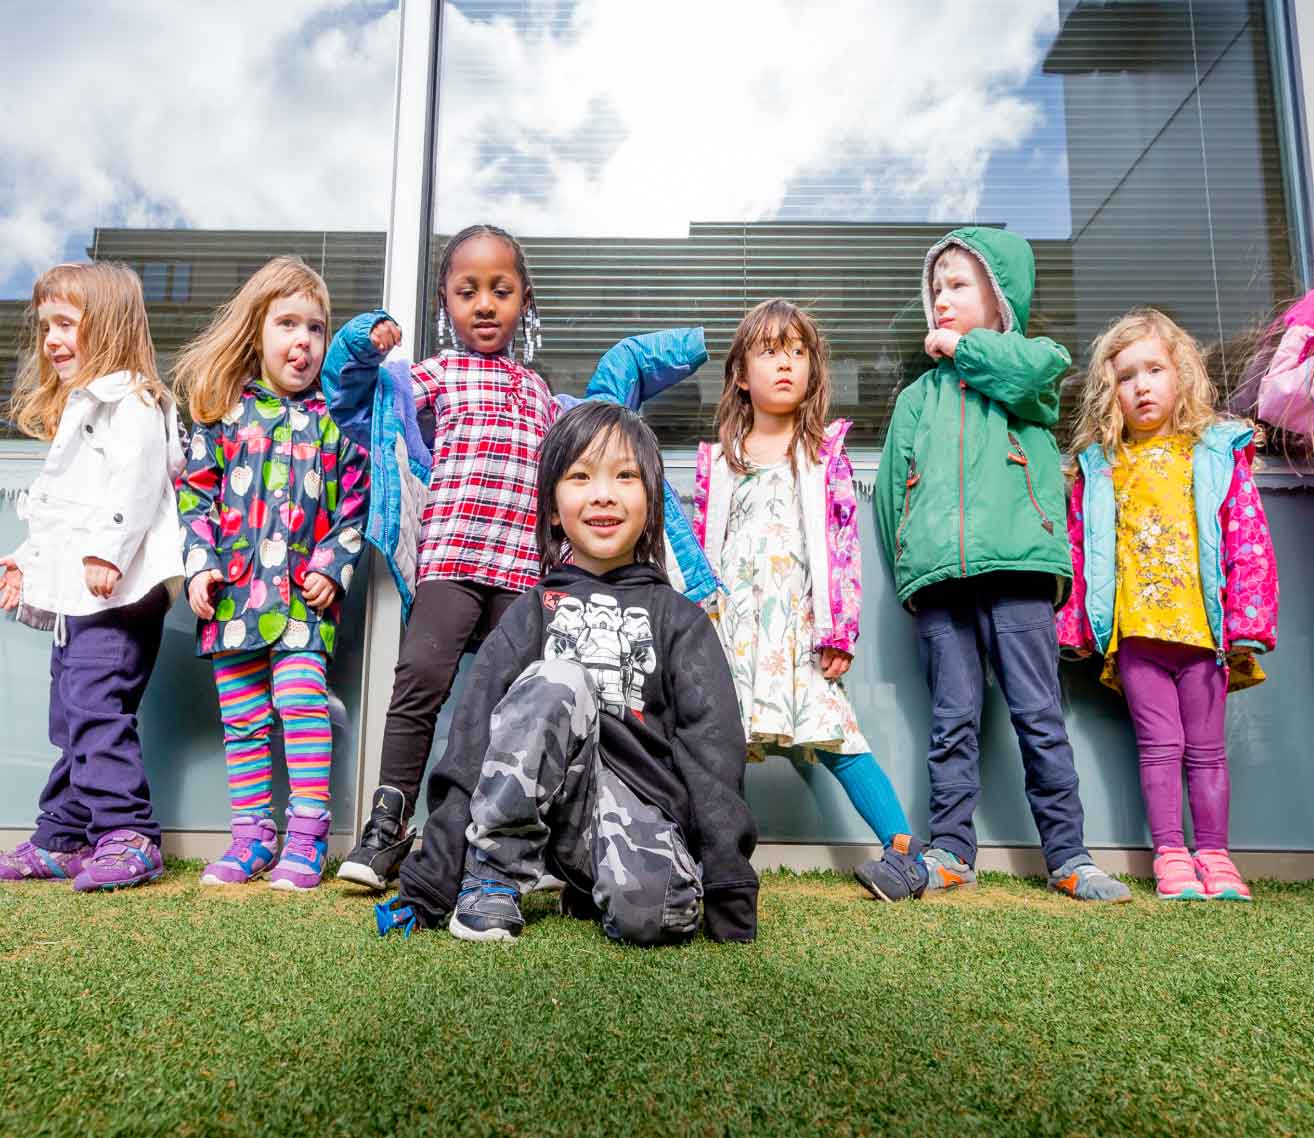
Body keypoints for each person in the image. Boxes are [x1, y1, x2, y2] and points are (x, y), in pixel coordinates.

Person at [375, 401, 758, 944]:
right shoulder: (528, 613)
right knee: (560, 680)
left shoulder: (681, 619)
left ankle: (590, 884)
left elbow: (713, 752)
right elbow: (470, 740)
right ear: (553, 507)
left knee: (656, 918)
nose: (603, 494)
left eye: (625, 476)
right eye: (580, 477)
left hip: (638, 809)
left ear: (651, 504)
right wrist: (430, 884)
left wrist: (728, 889)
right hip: (538, 805)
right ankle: (495, 877)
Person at [875, 226, 1129, 902]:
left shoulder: (1032, 366)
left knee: (1037, 713)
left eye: (959, 286)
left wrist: (965, 348)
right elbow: (889, 489)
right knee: (951, 718)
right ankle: (952, 850)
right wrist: (909, 562)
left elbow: (1031, 376)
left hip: (1018, 569)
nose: (942, 300)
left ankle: (1069, 854)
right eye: (936, 290)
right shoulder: (917, 398)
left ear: (1001, 298)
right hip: (939, 581)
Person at [328, 224, 559, 890]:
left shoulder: (539, 393)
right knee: (419, 682)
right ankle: (388, 823)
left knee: (512, 705)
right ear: (445, 304)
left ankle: (498, 834)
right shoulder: (431, 374)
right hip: (451, 559)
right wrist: (362, 347)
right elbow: (356, 408)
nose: (484, 304)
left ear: (524, 303)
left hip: (520, 573)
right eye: (467, 291)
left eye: (500, 290)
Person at [693, 298, 927, 902]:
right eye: (770, 352)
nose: (785, 364)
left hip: (800, 626)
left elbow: (844, 547)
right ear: (741, 374)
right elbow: (698, 551)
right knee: (721, 743)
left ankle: (904, 855)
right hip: (732, 630)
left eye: (798, 352)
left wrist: (840, 633)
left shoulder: (824, 455)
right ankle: (718, 860)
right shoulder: (718, 462)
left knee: (837, 737)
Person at [1057, 308, 1277, 901]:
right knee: (1158, 750)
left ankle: (1216, 855)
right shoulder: (1101, 467)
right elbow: (1081, 549)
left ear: (1180, 375)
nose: (1142, 385)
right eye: (1127, 376)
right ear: (1111, 391)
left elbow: (1245, 535)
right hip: (1139, 638)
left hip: (1204, 633)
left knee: (1207, 752)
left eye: (1155, 369)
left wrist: (1247, 621)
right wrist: (1077, 625)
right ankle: (1172, 855)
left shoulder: (1211, 452)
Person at [173, 257, 370, 890]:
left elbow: (355, 506)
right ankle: (252, 836)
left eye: (316, 329)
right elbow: (195, 499)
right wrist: (200, 567)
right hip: (233, 598)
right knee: (244, 717)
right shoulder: (223, 416)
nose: (303, 341)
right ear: (257, 330)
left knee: (301, 702)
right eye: (288, 324)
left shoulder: (336, 422)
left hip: (303, 602)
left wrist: (334, 569)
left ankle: (307, 839)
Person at [0, 262, 183, 891]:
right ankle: (65, 836)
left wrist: (109, 551)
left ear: (106, 326)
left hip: (118, 594)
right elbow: (61, 513)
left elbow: (134, 487)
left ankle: (129, 835)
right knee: (73, 715)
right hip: (81, 599)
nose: (51, 339)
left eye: (66, 325)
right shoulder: (84, 411)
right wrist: (25, 560)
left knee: (97, 709)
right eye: (46, 325)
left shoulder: (131, 403)